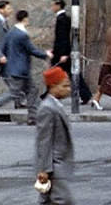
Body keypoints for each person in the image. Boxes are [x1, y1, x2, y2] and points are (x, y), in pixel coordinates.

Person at [0, 9, 50, 123]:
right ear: (25, 19)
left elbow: (3, 46)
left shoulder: (11, 32)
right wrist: (46, 54)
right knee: (14, 93)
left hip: (15, 68)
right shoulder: (22, 34)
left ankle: (32, 117)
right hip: (21, 69)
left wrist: (1, 57)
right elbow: (31, 49)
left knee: (32, 90)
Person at [34, 66, 75, 205]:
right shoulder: (47, 108)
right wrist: (44, 169)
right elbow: (44, 141)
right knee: (63, 200)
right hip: (54, 165)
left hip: (57, 164)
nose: (68, 89)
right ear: (53, 86)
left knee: (49, 200)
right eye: (64, 86)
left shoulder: (55, 105)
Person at [49, 0, 91, 103]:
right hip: (62, 52)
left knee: (53, 73)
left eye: (53, 5)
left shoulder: (61, 19)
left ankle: (49, 94)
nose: (52, 7)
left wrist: (62, 53)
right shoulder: (64, 18)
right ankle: (85, 94)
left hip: (62, 53)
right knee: (73, 73)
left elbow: (63, 37)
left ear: (58, 5)